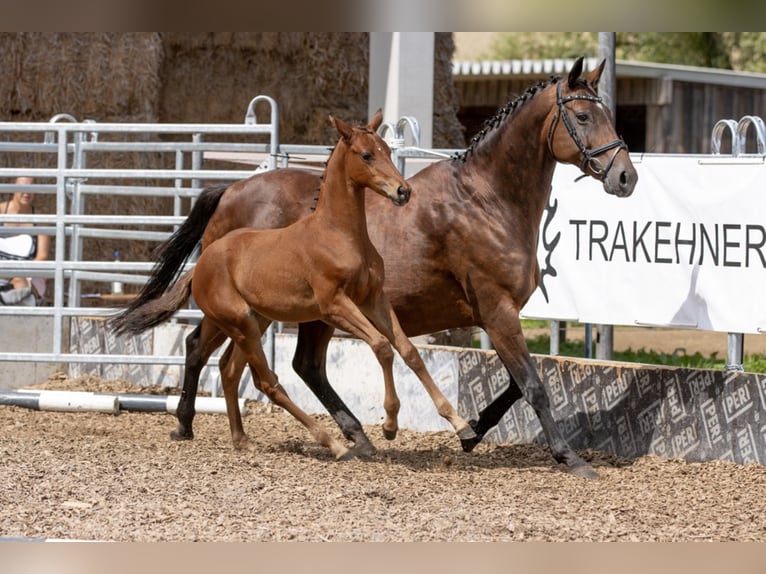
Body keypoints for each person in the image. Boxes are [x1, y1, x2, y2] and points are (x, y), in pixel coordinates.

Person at [0, 176, 50, 305]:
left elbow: (42, 256)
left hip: (27, 272)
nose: (26, 193)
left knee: (22, 285)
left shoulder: (40, 220)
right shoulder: (1, 211)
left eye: (31, 188)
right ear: (13, 189)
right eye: (22, 188)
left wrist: (21, 272)